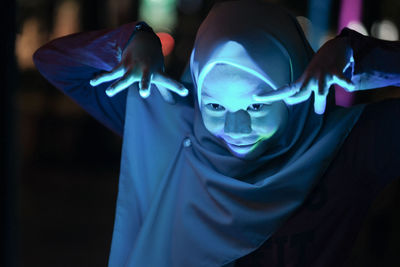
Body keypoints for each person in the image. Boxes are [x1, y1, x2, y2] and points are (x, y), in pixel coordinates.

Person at [33, 0, 400, 266]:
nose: (234, 129)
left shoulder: (345, 148)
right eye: (215, 106)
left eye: (257, 106)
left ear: (295, 90)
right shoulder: (171, 128)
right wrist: (132, 40)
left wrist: (357, 57)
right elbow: (53, 61)